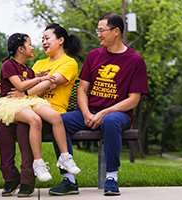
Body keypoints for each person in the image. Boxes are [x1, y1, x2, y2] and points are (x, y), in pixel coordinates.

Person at [61, 12, 148, 196]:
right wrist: (86, 113)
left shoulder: (135, 60)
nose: (98, 34)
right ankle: (68, 179)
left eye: (102, 30)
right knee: (58, 121)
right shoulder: (93, 56)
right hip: (90, 110)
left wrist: (104, 112)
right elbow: (82, 90)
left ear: (116, 31)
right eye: (98, 30)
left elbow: (133, 99)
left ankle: (111, 177)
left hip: (119, 114)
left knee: (110, 121)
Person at [0, 23, 83, 197]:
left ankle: (35, 179)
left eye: (47, 38)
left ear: (60, 40)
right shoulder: (38, 63)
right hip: (29, 107)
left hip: (51, 109)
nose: (43, 42)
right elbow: (31, 80)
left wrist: (24, 92)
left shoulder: (69, 62)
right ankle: (18, 177)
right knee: (13, 125)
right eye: (41, 39)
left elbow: (47, 84)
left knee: (27, 125)